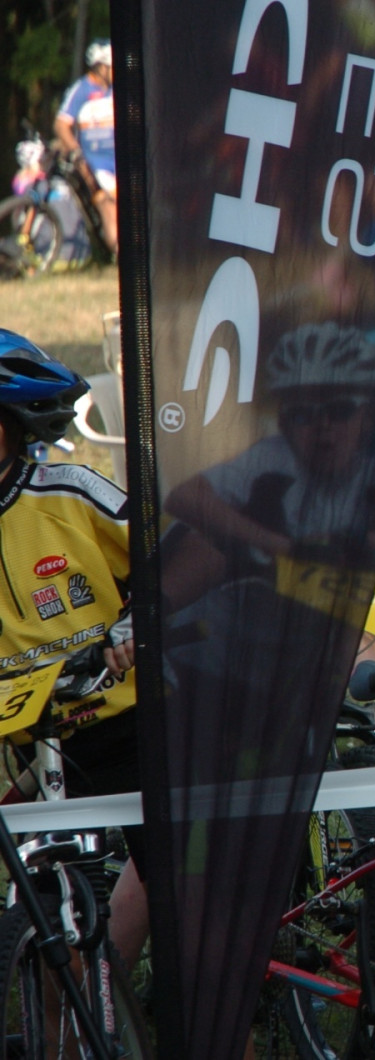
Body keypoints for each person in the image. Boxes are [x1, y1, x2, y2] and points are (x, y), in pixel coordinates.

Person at [0, 330, 147, 985]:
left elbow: (169, 560)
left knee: (181, 885)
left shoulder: (67, 492)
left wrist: (134, 626)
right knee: (48, 921)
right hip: (35, 743)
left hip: (125, 720)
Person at [54, 38, 117, 255]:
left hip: (119, 158)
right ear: (100, 67)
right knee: (108, 207)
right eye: (111, 66)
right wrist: (77, 153)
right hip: (95, 162)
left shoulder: (116, 88)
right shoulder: (81, 89)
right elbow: (61, 124)